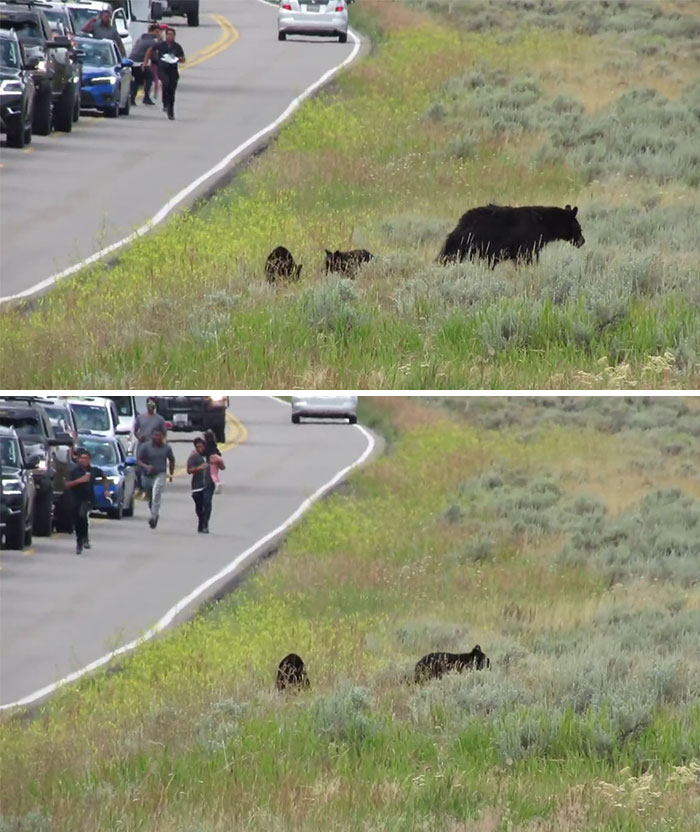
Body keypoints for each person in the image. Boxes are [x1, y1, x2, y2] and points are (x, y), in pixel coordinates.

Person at [65, 448, 111, 555]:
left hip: (87, 498)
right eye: (82, 458)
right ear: (78, 459)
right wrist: (80, 481)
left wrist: (106, 490)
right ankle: (81, 538)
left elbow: (104, 476)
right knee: (77, 519)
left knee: (82, 515)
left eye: (86, 458)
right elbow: (67, 485)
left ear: (90, 460)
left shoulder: (93, 470)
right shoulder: (74, 471)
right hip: (75, 497)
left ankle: (82, 540)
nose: (84, 460)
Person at [137, 428, 175, 529]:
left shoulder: (167, 448)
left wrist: (171, 474)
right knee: (151, 498)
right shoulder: (145, 447)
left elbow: (171, 460)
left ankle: (153, 518)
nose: (157, 438)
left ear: (163, 437)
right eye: (155, 435)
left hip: (160, 473)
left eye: (159, 436)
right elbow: (138, 460)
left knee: (156, 492)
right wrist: (146, 466)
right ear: (152, 436)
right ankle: (154, 513)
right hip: (147, 475)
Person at [145, 26, 185, 120]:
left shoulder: (177, 47)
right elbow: (151, 50)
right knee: (165, 83)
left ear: (174, 36)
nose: (170, 36)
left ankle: (171, 112)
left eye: (171, 35)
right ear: (166, 35)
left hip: (173, 70)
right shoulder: (161, 45)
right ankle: (165, 104)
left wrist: (178, 59)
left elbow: (183, 59)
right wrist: (146, 61)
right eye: (168, 34)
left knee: (172, 91)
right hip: (162, 69)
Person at [133, 398, 166, 494]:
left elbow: (164, 433)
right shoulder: (140, 417)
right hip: (142, 445)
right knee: (139, 466)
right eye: (149, 404)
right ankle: (140, 487)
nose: (151, 407)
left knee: (152, 465)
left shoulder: (159, 419)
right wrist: (139, 437)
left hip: (154, 445)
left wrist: (160, 442)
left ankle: (151, 486)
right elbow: (135, 430)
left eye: (152, 405)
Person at [187, 437, 215, 534]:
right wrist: (199, 468)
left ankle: (205, 524)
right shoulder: (193, 457)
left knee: (207, 503)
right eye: (197, 446)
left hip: (208, 484)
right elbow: (189, 470)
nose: (200, 448)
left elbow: (220, 465)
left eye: (201, 446)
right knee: (199, 506)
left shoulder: (209, 456)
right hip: (197, 485)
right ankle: (201, 521)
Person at [129, 24, 162, 105]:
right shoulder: (151, 41)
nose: (158, 33)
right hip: (139, 63)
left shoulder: (141, 38)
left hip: (132, 61)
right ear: (151, 31)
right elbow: (153, 55)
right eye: (157, 32)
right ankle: (146, 97)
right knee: (149, 77)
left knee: (137, 80)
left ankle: (132, 98)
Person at [203, 428, 225, 494]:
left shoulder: (207, 445)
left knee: (212, 474)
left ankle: (217, 484)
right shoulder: (214, 444)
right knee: (215, 473)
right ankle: (216, 483)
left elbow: (205, 452)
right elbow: (217, 452)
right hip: (217, 459)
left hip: (212, 461)